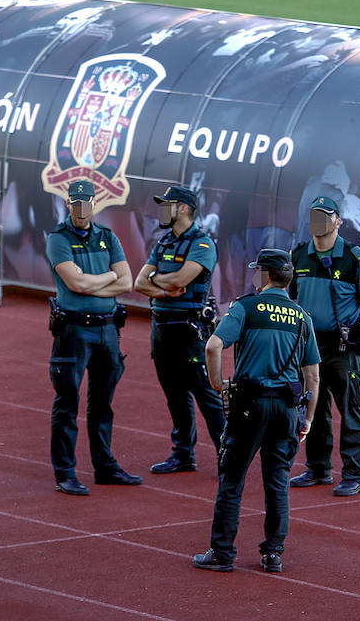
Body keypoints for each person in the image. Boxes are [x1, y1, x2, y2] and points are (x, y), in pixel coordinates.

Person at [193, 249, 320, 573]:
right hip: (287, 409)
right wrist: (307, 417)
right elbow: (312, 375)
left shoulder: (246, 307)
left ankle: (222, 553)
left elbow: (213, 345)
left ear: (264, 275)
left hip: (249, 406)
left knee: (232, 479)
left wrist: (217, 383)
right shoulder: (301, 317)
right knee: (277, 482)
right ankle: (273, 553)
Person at [46, 180, 142, 496]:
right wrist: (108, 277)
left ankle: (105, 467)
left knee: (103, 403)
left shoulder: (107, 237)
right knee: (68, 401)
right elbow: (76, 284)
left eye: (86, 202)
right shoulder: (58, 239)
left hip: (107, 328)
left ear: (93, 204)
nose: (81, 208)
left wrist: (95, 282)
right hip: (74, 329)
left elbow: (127, 281)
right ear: (69, 204)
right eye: (75, 203)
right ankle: (65, 473)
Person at [289, 196, 360, 496]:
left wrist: (352, 325)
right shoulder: (299, 255)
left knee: (351, 408)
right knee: (313, 405)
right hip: (309, 344)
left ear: (338, 221)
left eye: (325, 216)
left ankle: (355, 474)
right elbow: (292, 296)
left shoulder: (353, 258)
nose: (318, 221)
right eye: (314, 215)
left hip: (342, 346)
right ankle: (318, 468)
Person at [133, 185, 225, 474]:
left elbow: (180, 280)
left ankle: (229, 454)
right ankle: (183, 454)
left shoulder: (203, 244)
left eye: (167, 204)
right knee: (175, 395)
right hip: (161, 328)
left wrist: (158, 280)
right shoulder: (162, 244)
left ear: (183, 208)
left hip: (190, 330)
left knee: (206, 395)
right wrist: (164, 289)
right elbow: (139, 283)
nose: (162, 210)